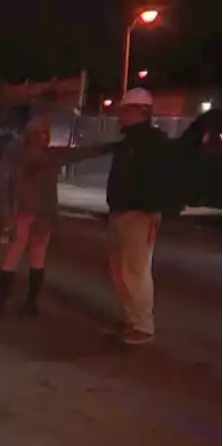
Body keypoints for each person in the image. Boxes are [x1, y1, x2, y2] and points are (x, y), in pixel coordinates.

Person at [0, 115, 114, 315]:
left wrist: (112, 147)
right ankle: (2, 299)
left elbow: (82, 152)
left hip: (41, 215)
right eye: (40, 133)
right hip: (20, 214)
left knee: (36, 257)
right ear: (30, 135)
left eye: (46, 133)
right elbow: (4, 187)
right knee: (12, 256)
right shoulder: (15, 157)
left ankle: (29, 302)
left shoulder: (50, 157)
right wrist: (7, 216)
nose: (45, 137)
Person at [104, 88, 172, 345]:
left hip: (139, 214)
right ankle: (132, 318)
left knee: (135, 270)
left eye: (127, 110)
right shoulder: (130, 142)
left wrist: (155, 210)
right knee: (119, 269)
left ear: (141, 112)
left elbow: (159, 179)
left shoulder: (153, 143)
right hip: (121, 212)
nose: (122, 115)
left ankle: (143, 325)